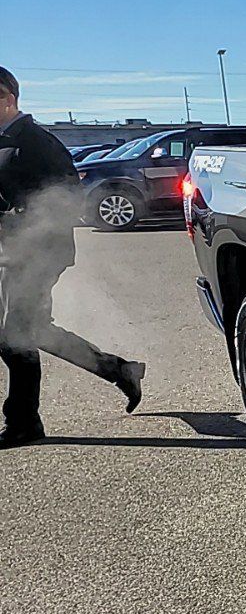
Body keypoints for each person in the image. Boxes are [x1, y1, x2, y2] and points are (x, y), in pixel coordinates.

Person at [0, 66, 144, 448]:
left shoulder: (36, 142)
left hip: (40, 251)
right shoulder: (3, 141)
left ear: (8, 99)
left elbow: (67, 196)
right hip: (12, 252)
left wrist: (20, 219)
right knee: (32, 331)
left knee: (14, 336)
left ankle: (23, 423)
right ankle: (120, 369)